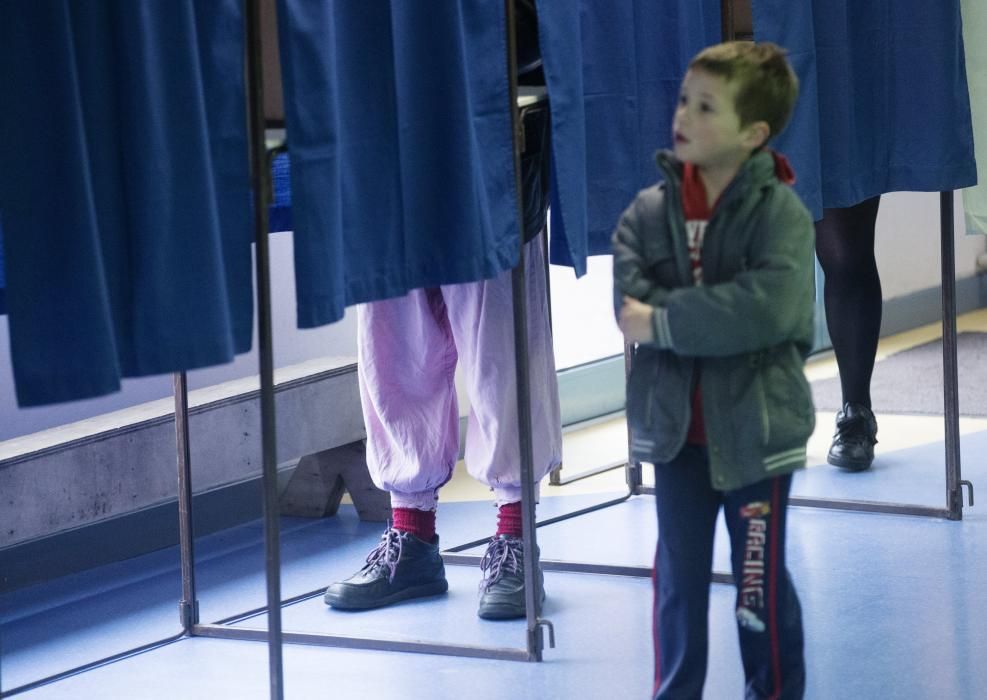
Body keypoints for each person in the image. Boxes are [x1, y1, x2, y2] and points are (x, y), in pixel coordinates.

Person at [613, 42, 812, 699]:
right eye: (682, 101)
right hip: (675, 440)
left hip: (755, 440)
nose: (683, 117)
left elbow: (763, 311)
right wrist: (707, 314)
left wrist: (668, 320)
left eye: (705, 107)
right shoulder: (649, 211)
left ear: (753, 134)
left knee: (755, 587)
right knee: (676, 582)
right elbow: (627, 303)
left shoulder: (779, 213)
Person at [322, 91, 560, 620]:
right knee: (393, 332)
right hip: (379, 109)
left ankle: (517, 535)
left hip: (481, 100)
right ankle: (412, 539)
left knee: (499, 333)